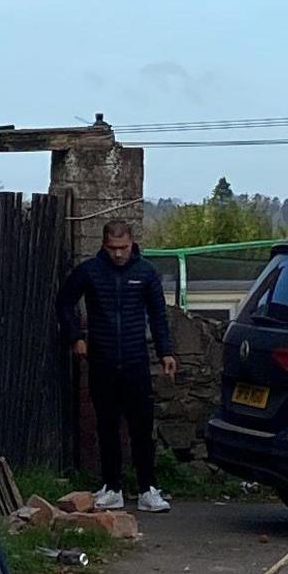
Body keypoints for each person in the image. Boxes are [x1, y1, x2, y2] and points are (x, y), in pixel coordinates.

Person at [55, 219, 178, 513]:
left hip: (136, 359)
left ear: (132, 244)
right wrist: (75, 337)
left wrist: (166, 353)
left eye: (123, 248)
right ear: (103, 245)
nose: (118, 255)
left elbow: (158, 315)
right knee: (106, 425)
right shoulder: (90, 271)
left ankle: (148, 488)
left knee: (141, 426)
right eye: (112, 249)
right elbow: (64, 302)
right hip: (103, 359)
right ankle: (112, 487)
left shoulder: (145, 273)